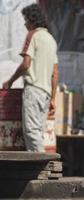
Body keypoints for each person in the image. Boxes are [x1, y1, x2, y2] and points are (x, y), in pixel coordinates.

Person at [2, 4, 58, 152]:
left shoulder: (33, 35)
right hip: (45, 94)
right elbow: (55, 73)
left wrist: (10, 81)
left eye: (26, 20)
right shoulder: (51, 39)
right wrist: (52, 98)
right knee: (38, 131)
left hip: (33, 90)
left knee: (31, 132)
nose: (25, 23)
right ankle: (40, 165)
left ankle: (39, 166)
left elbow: (26, 64)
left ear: (32, 20)